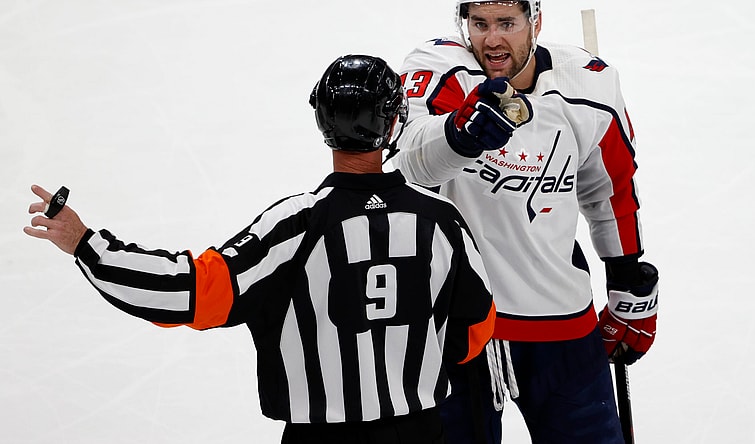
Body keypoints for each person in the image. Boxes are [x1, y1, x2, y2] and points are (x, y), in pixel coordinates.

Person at [24, 54, 497, 444]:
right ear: (395, 121)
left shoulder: (295, 225)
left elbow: (186, 292)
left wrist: (87, 245)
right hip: (420, 432)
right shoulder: (442, 221)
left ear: (321, 122)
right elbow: (475, 332)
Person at [390, 2, 659, 443]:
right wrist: (459, 134)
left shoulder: (589, 80)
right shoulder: (439, 68)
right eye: (479, 24)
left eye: (506, 24)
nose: (491, 39)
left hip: (560, 319)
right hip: (456, 323)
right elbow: (407, 162)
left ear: (536, 21)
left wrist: (625, 270)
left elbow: (609, 184)